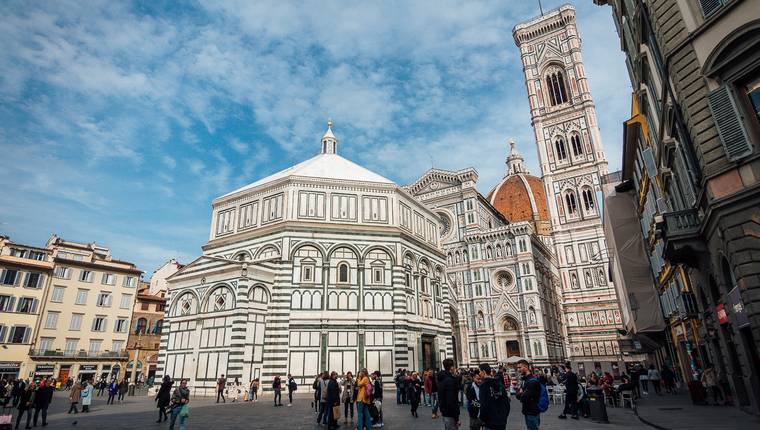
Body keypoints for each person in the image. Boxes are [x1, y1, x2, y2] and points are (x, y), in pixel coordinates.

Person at [479, 363, 510, 430]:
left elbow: (483, 405)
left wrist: (482, 419)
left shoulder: (484, 385)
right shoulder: (500, 384)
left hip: (490, 423)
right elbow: (507, 403)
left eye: (480, 371)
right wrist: (504, 417)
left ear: (484, 372)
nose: (479, 374)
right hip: (501, 422)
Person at [437, 358, 461, 430]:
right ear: (452, 367)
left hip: (445, 412)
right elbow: (451, 401)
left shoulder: (441, 379)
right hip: (450, 414)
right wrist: (456, 418)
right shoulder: (450, 381)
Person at [516, 360, 540, 430]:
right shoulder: (525, 380)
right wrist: (520, 393)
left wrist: (521, 393)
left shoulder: (532, 381)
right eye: (517, 368)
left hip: (532, 412)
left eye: (520, 367)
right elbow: (518, 395)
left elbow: (524, 398)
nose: (518, 370)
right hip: (528, 411)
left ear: (526, 367)